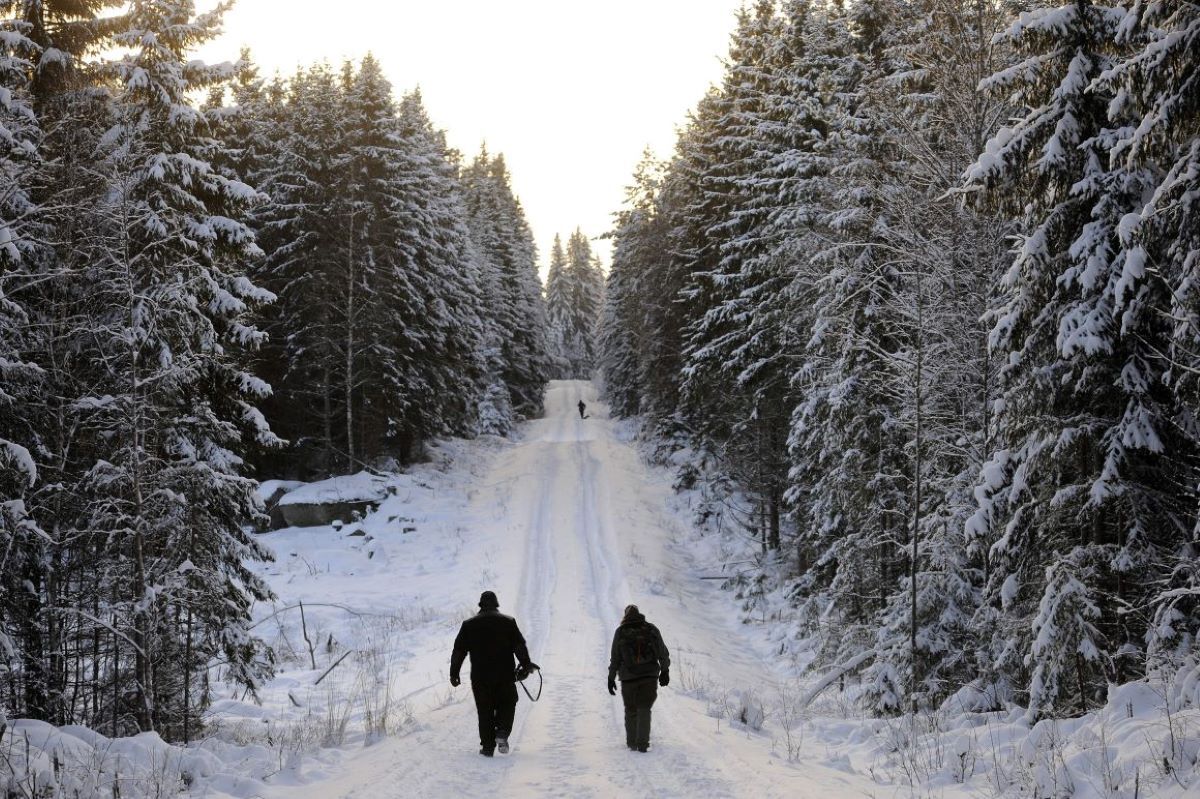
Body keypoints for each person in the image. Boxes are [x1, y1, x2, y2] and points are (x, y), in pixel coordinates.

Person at [450, 591, 537, 756]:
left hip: (480, 677)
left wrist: (454, 673)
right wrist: (526, 664)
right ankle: (502, 732)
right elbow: (519, 646)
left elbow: (459, 651)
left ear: (480, 605)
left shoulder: (469, 625)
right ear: (496, 604)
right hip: (504, 675)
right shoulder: (508, 622)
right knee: (508, 702)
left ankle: (488, 747)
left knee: (485, 710)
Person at [607, 604, 670, 752]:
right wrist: (665, 671)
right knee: (644, 708)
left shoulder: (621, 632)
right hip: (649, 676)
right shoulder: (651, 629)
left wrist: (611, 678)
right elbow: (662, 652)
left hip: (628, 677)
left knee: (631, 709)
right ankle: (642, 743)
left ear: (625, 616)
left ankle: (631, 743)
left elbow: (615, 658)